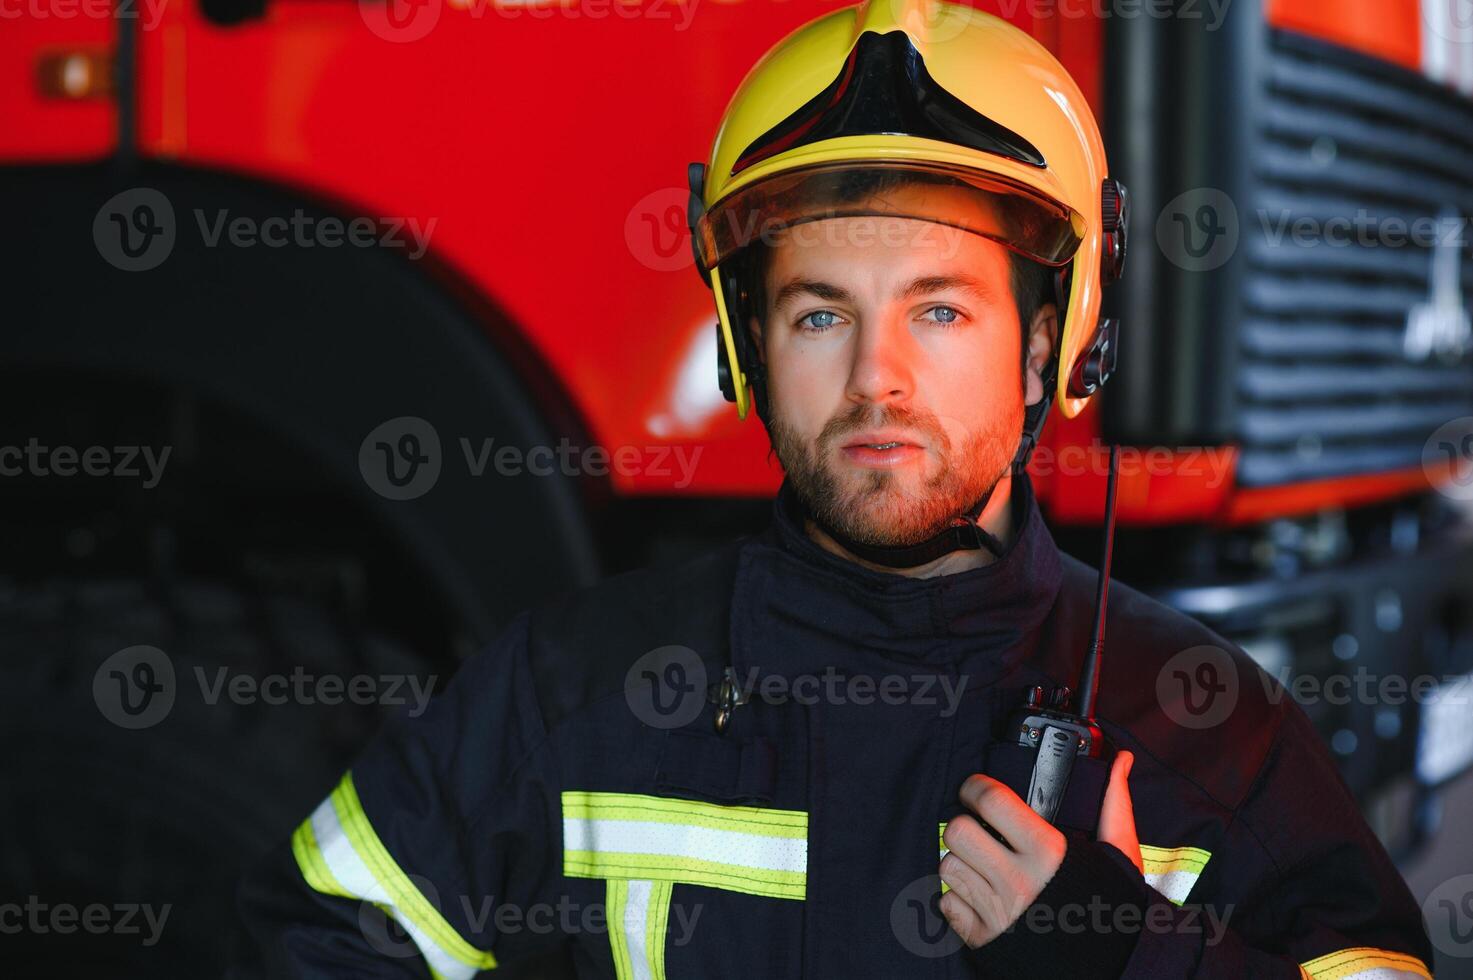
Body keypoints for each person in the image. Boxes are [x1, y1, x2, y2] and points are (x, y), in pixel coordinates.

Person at [235, 1, 1435, 976]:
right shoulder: (568, 690)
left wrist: (1128, 954)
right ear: (747, 346)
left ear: (1049, 347)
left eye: (940, 310)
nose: (877, 379)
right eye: (821, 313)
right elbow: (322, 939)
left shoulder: (1207, 729)